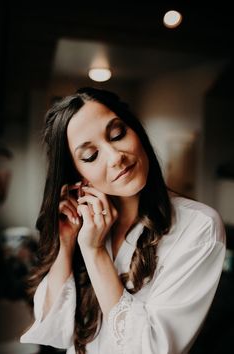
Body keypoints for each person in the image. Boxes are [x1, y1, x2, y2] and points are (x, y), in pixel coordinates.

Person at [20, 87, 226, 354]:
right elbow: (55, 332)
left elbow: (150, 349)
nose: (116, 157)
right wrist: (67, 243)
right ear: (79, 175)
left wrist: (95, 254)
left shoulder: (199, 226)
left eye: (117, 134)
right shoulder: (84, 226)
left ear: (136, 131)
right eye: (90, 156)